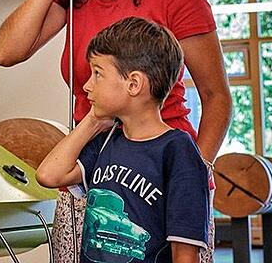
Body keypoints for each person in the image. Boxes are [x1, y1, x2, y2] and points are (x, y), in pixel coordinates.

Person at [0, 0, 230, 262]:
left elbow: (216, 96)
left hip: (158, 174)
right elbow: (5, 52)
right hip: (90, 173)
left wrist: (190, 175)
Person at [37, 17, 210, 263]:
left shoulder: (177, 150)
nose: (87, 86)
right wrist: (93, 120)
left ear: (134, 83)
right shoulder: (106, 143)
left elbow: (185, 252)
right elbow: (49, 176)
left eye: (97, 73)